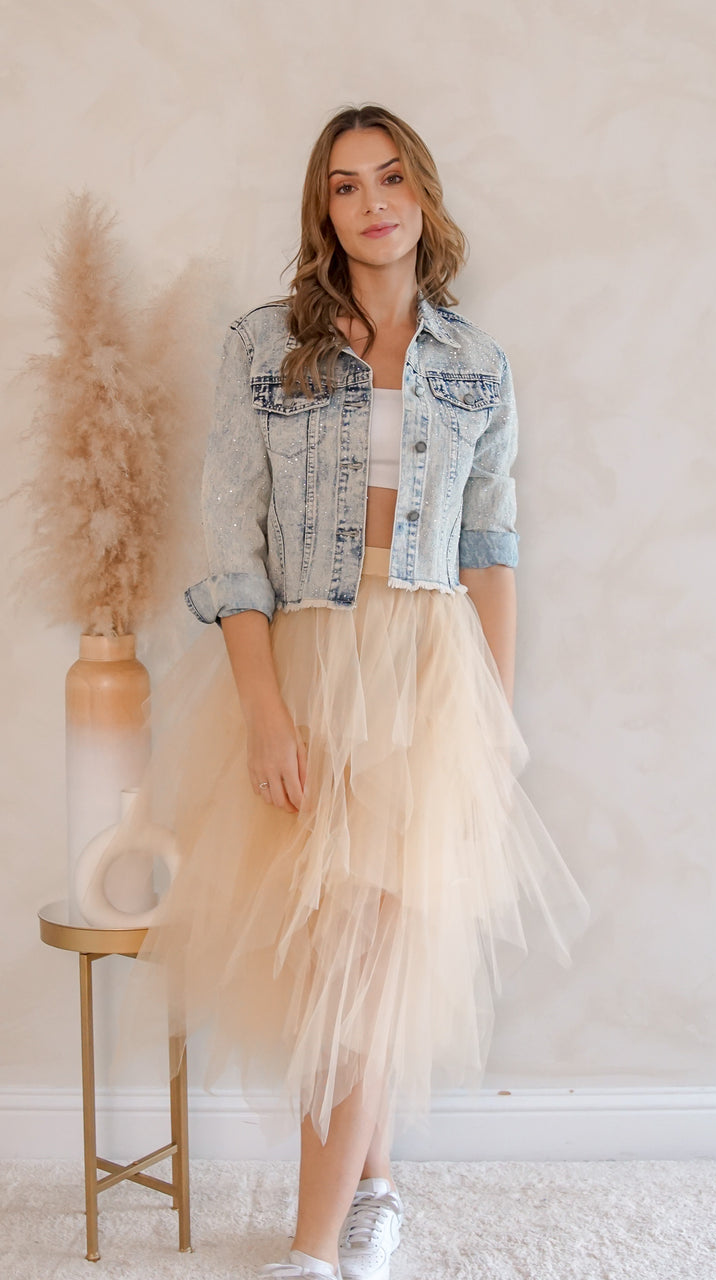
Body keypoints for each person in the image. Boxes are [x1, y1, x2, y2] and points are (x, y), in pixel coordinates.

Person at [111, 103, 591, 1280]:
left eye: (390, 177)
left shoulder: (477, 365)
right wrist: (265, 712)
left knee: (367, 958)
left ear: (422, 195)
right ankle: (373, 1188)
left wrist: (492, 723)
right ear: (322, 211)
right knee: (335, 953)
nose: (372, 201)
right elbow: (233, 546)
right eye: (344, 184)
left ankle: (313, 1249)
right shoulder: (265, 346)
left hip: (427, 673)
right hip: (308, 661)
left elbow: (491, 553)